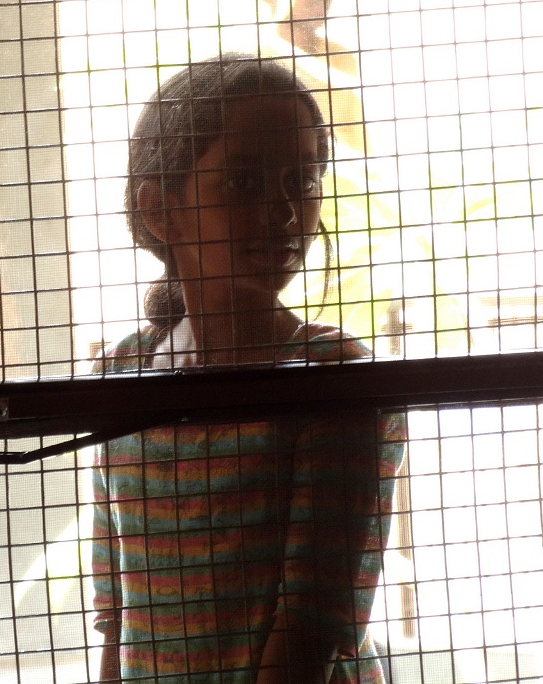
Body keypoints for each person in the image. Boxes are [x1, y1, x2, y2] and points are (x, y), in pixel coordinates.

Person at [91, 54, 406, 684]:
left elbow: (311, 624)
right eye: (243, 182)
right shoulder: (121, 371)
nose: (284, 211)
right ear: (159, 210)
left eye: (302, 180)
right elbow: (115, 613)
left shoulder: (335, 376)